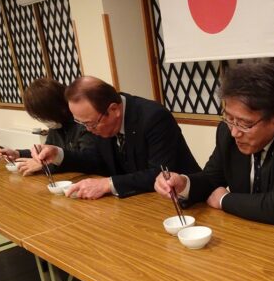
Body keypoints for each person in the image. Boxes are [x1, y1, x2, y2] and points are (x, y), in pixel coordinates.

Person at [154, 62, 274, 225]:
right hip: (253, 230)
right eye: (229, 118)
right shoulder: (228, 130)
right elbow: (212, 178)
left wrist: (224, 199)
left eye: (245, 124)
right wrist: (183, 184)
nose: (235, 132)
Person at [33, 76, 201, 199]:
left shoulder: (153, 117)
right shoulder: (99, 120)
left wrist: (107, 184)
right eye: (82, 123)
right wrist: (58, 154)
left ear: (114, 110)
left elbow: (160, 173)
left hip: (183, 200)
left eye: (91, 124)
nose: (88, 130)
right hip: (137, 202)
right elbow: (95, 161)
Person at [0, 78, 96, 175]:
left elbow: (88, 161)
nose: (44, 121)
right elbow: (45, 152)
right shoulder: (57, 125)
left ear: (58, 107)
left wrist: (45, 165)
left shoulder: (82, 123)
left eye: (44, 116)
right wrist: (18, 154)